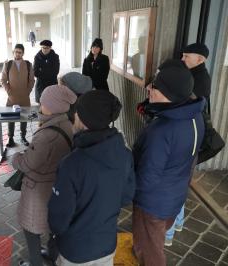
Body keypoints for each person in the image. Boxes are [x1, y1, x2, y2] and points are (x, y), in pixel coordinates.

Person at [48, 90, 135, 266]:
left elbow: (58, 220)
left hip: (75, 250)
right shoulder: (125, 154)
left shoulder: (72, 164)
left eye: (77, 113)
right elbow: (126, 196)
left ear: (83, 119)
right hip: (106, 244)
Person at [132, 59, 205, 266]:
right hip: (174, 195)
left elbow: (147, 177)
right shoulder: (195, 115)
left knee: (151, 254)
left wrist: (127, 191)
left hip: (152, 204)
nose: (149, 88)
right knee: (154, 243)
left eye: (155, 86)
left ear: (169, 94)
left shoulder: (162, 130)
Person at [12, 85, 77, 266]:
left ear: (53, 107)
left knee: (31, 229)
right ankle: (51, 254)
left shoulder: (46, 136)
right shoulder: (68, 124)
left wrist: (15, 157)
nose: (40, 104)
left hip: (38, 190)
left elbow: (27, 164)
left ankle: (35, 262)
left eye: (43, 102)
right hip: (58, 186)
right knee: (53, 228)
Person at [164, 43, 211, 246]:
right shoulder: (189, 72)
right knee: (180, 180)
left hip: (188, 135)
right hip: (188, 134)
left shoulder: (200, 80)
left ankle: (168, 233)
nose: (182, 59)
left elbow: (182, 106)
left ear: (200, 60)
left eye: (187, 56)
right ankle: (179, 223)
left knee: (175, 182)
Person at [0, 43, 35, 147]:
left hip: (25, 97)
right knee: (11, 118)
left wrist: (28, 91)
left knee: (24, 117)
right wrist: (9, 91)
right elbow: (3, 79)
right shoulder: (8, 64)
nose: (18, 54)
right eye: (16, 52)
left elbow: (32, 80)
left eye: (20, 52)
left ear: (23, 53)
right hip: (12, 97)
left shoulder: (28, 65)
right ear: (13, 52)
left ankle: (23, 137)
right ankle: (10, 138)